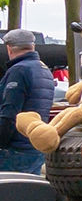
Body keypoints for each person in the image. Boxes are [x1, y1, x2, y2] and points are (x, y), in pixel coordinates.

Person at [0, 29, 55, 176]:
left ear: (9, 48)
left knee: (7, 195)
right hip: (35, 146)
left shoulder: (18, 71)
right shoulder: (45, 70)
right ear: (33, 46)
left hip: (14, 151)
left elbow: (10, 114)